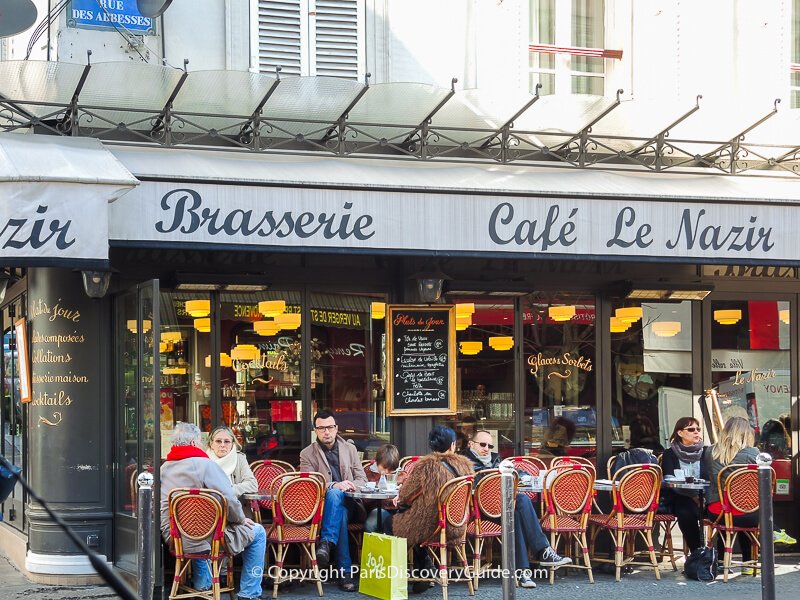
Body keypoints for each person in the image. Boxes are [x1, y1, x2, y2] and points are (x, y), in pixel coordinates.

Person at [160, 422, 266, 600]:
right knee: (259, 532)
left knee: (196, 528)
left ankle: (203, 586)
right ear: (194, 443)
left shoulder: (164, 467)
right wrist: (240, 520)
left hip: (174, 537)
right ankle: (249, 593)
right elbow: (228, 498)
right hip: (206, 538)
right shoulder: (205, 465)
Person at [462, 430, 572, 588]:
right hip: (480, 514)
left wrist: (524, 476)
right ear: (471, 444)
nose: (487, 448)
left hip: (503, 509)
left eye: (490, 445)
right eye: (483, 444)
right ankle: (542, 552)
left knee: (515, 516)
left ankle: (524, 574)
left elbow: (517, 472)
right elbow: (470, 485)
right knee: (521, 499)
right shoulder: (464, 462)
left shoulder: (495, 459)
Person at [382, 426, 474, 594]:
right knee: (414, 523)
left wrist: (401, 496)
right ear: (453, 445)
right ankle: (424, 568)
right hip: (457, 526)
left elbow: (406, 495)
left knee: (389, 521)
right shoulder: (465, 467)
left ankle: (412, 571)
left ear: (432, 445)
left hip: (430, 527)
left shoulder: (426, 466)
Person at [299, 409, 367, 592]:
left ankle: (327, 543)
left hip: (352, 503)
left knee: (341, 504)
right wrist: (333, 486)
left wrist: (350, 485)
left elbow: (363, 480)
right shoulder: (307, 454)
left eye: (330, 427)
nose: (326, 432)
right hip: (322, 509)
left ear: (336, 428)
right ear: (315, 430)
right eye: (322, 429)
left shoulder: (350, 449)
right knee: (339, 510)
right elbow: (309, 485)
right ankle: (345, 572)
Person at [703, 416, 760, 565]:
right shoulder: (754, 454)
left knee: (727, 510)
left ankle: (722, 561)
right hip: (746, 513)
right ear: (746, 434)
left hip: (718, 512)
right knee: (746, 507)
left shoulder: (710, 452)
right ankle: (748, 562)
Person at [660, 417, 706, 553]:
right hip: (680, 495)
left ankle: (718, 557)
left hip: (705, 496)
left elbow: (712, 477)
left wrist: (703, 497)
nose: (696, 432)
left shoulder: (706, 452)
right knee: (685, 512)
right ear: (680, 433)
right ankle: (698, 553)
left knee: (722, 513)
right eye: (691, 429)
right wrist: (693, 497)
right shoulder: (670, 453)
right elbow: (668, 480)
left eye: (698, 429)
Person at [206, 425, 258, 518]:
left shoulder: (240, 458)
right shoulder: (203, 460)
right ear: (211, 444)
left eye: (227, 441)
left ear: (232, 444)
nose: (222, 445)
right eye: (218, 441)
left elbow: (252, 484)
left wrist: (231, 490)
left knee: (259, 530)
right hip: (210, 516)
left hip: (239, 515)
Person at [363, 443, 405, 533]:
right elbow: (363, 498)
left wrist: (403, 490)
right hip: (375, 509)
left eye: (391, 470)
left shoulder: (402, 475)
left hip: (397, 511)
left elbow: (410, 495)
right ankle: (375, 546)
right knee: (371, 523)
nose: (386, 472)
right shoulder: (367, 473)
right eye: (384, 467)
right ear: (377, 462)